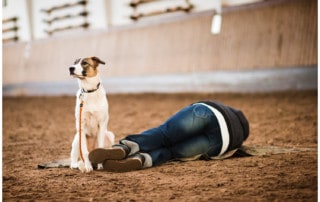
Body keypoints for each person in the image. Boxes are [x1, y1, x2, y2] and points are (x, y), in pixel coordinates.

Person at [89, 100, 249, 172]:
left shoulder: (224, 108)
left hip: (209, 112)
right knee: (172, 153)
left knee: (163, 134)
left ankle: (124, 148)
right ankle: (142, 159)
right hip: (222, 141)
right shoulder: (239, 138)